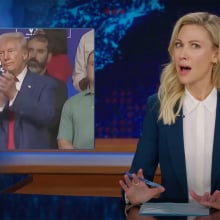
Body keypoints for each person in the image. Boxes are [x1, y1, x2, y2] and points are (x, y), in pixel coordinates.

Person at [119, 11, 220, 210]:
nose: (183, 54)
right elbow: (137, 177)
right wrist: (133, 195)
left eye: (195, 46)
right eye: (179, 44)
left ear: (215, 55)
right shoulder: (158, 107)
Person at [0, 32, 57, 150]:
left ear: (25, 54)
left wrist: (14, 95)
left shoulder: (45, 84)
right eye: (1, 53)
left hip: (31, 160)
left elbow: (47, 117)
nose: (5, 57)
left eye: (10, 51)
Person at [27, 34, 67, 149]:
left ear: (49, 57)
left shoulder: (58, 87)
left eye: (40, 51)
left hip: (44, 154)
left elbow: (51, 121)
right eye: (30, 50)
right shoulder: (10, 83)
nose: (33, 56)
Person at [57, 50, 94, 149]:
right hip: (81, 163)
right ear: (86, 69)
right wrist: (81, 162)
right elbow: (63, 141)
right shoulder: (72, 104)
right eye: (93, 64)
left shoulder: (120, 102)